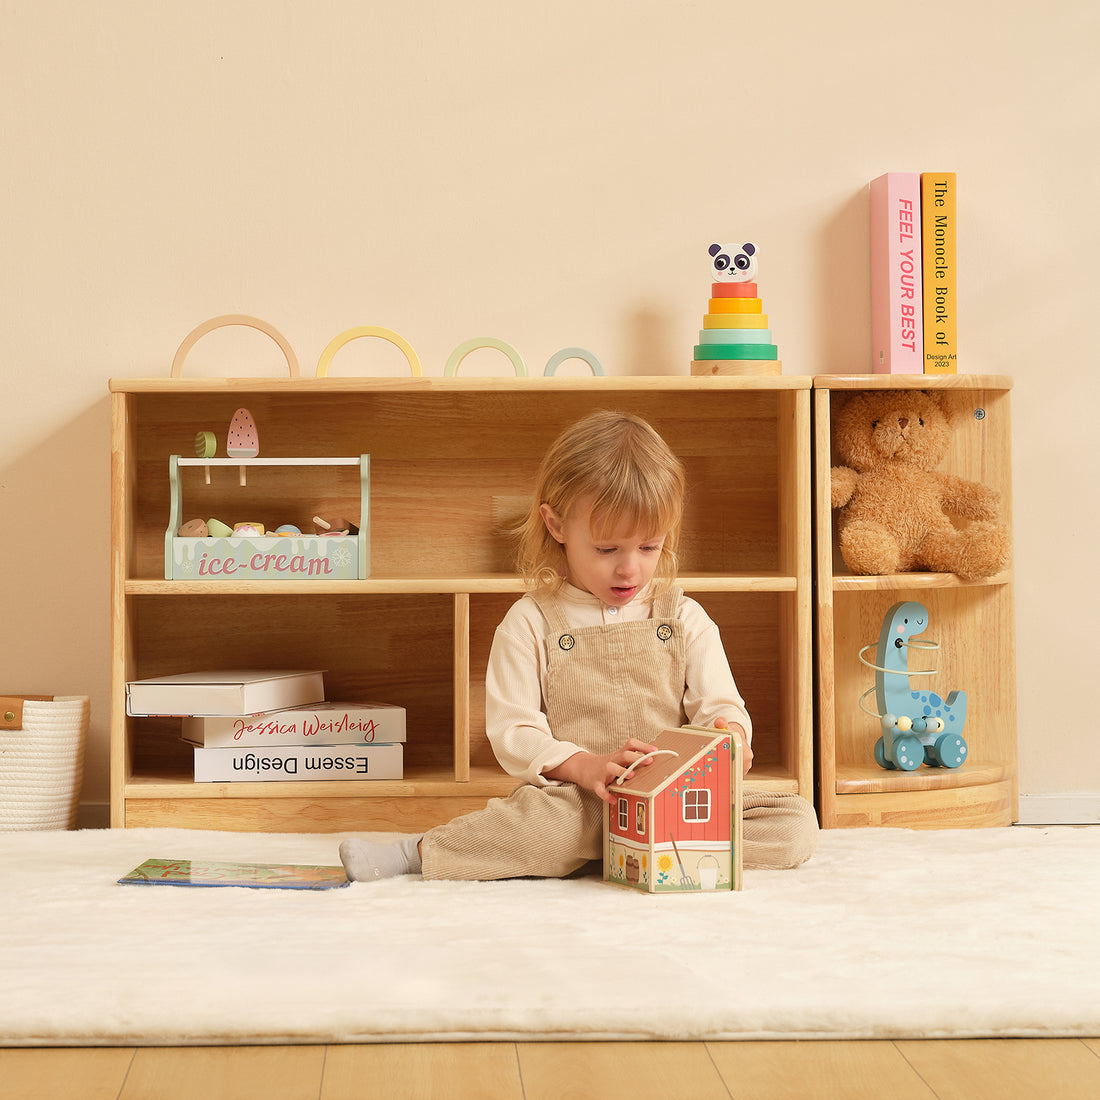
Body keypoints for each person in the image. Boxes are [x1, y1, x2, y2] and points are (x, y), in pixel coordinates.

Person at [339, 410, 817, 883]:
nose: (630, 569)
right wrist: (586, 766)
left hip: (674, 795)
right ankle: (419, 852)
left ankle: (612, 847)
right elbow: (514, 731)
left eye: (649, 547)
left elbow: (722, 705)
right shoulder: (530, 621)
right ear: (556, 525)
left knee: (794, 822)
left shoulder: (684, 617)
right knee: (545, 827)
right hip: (582, 798)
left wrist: (731, 736)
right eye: (608, 550)